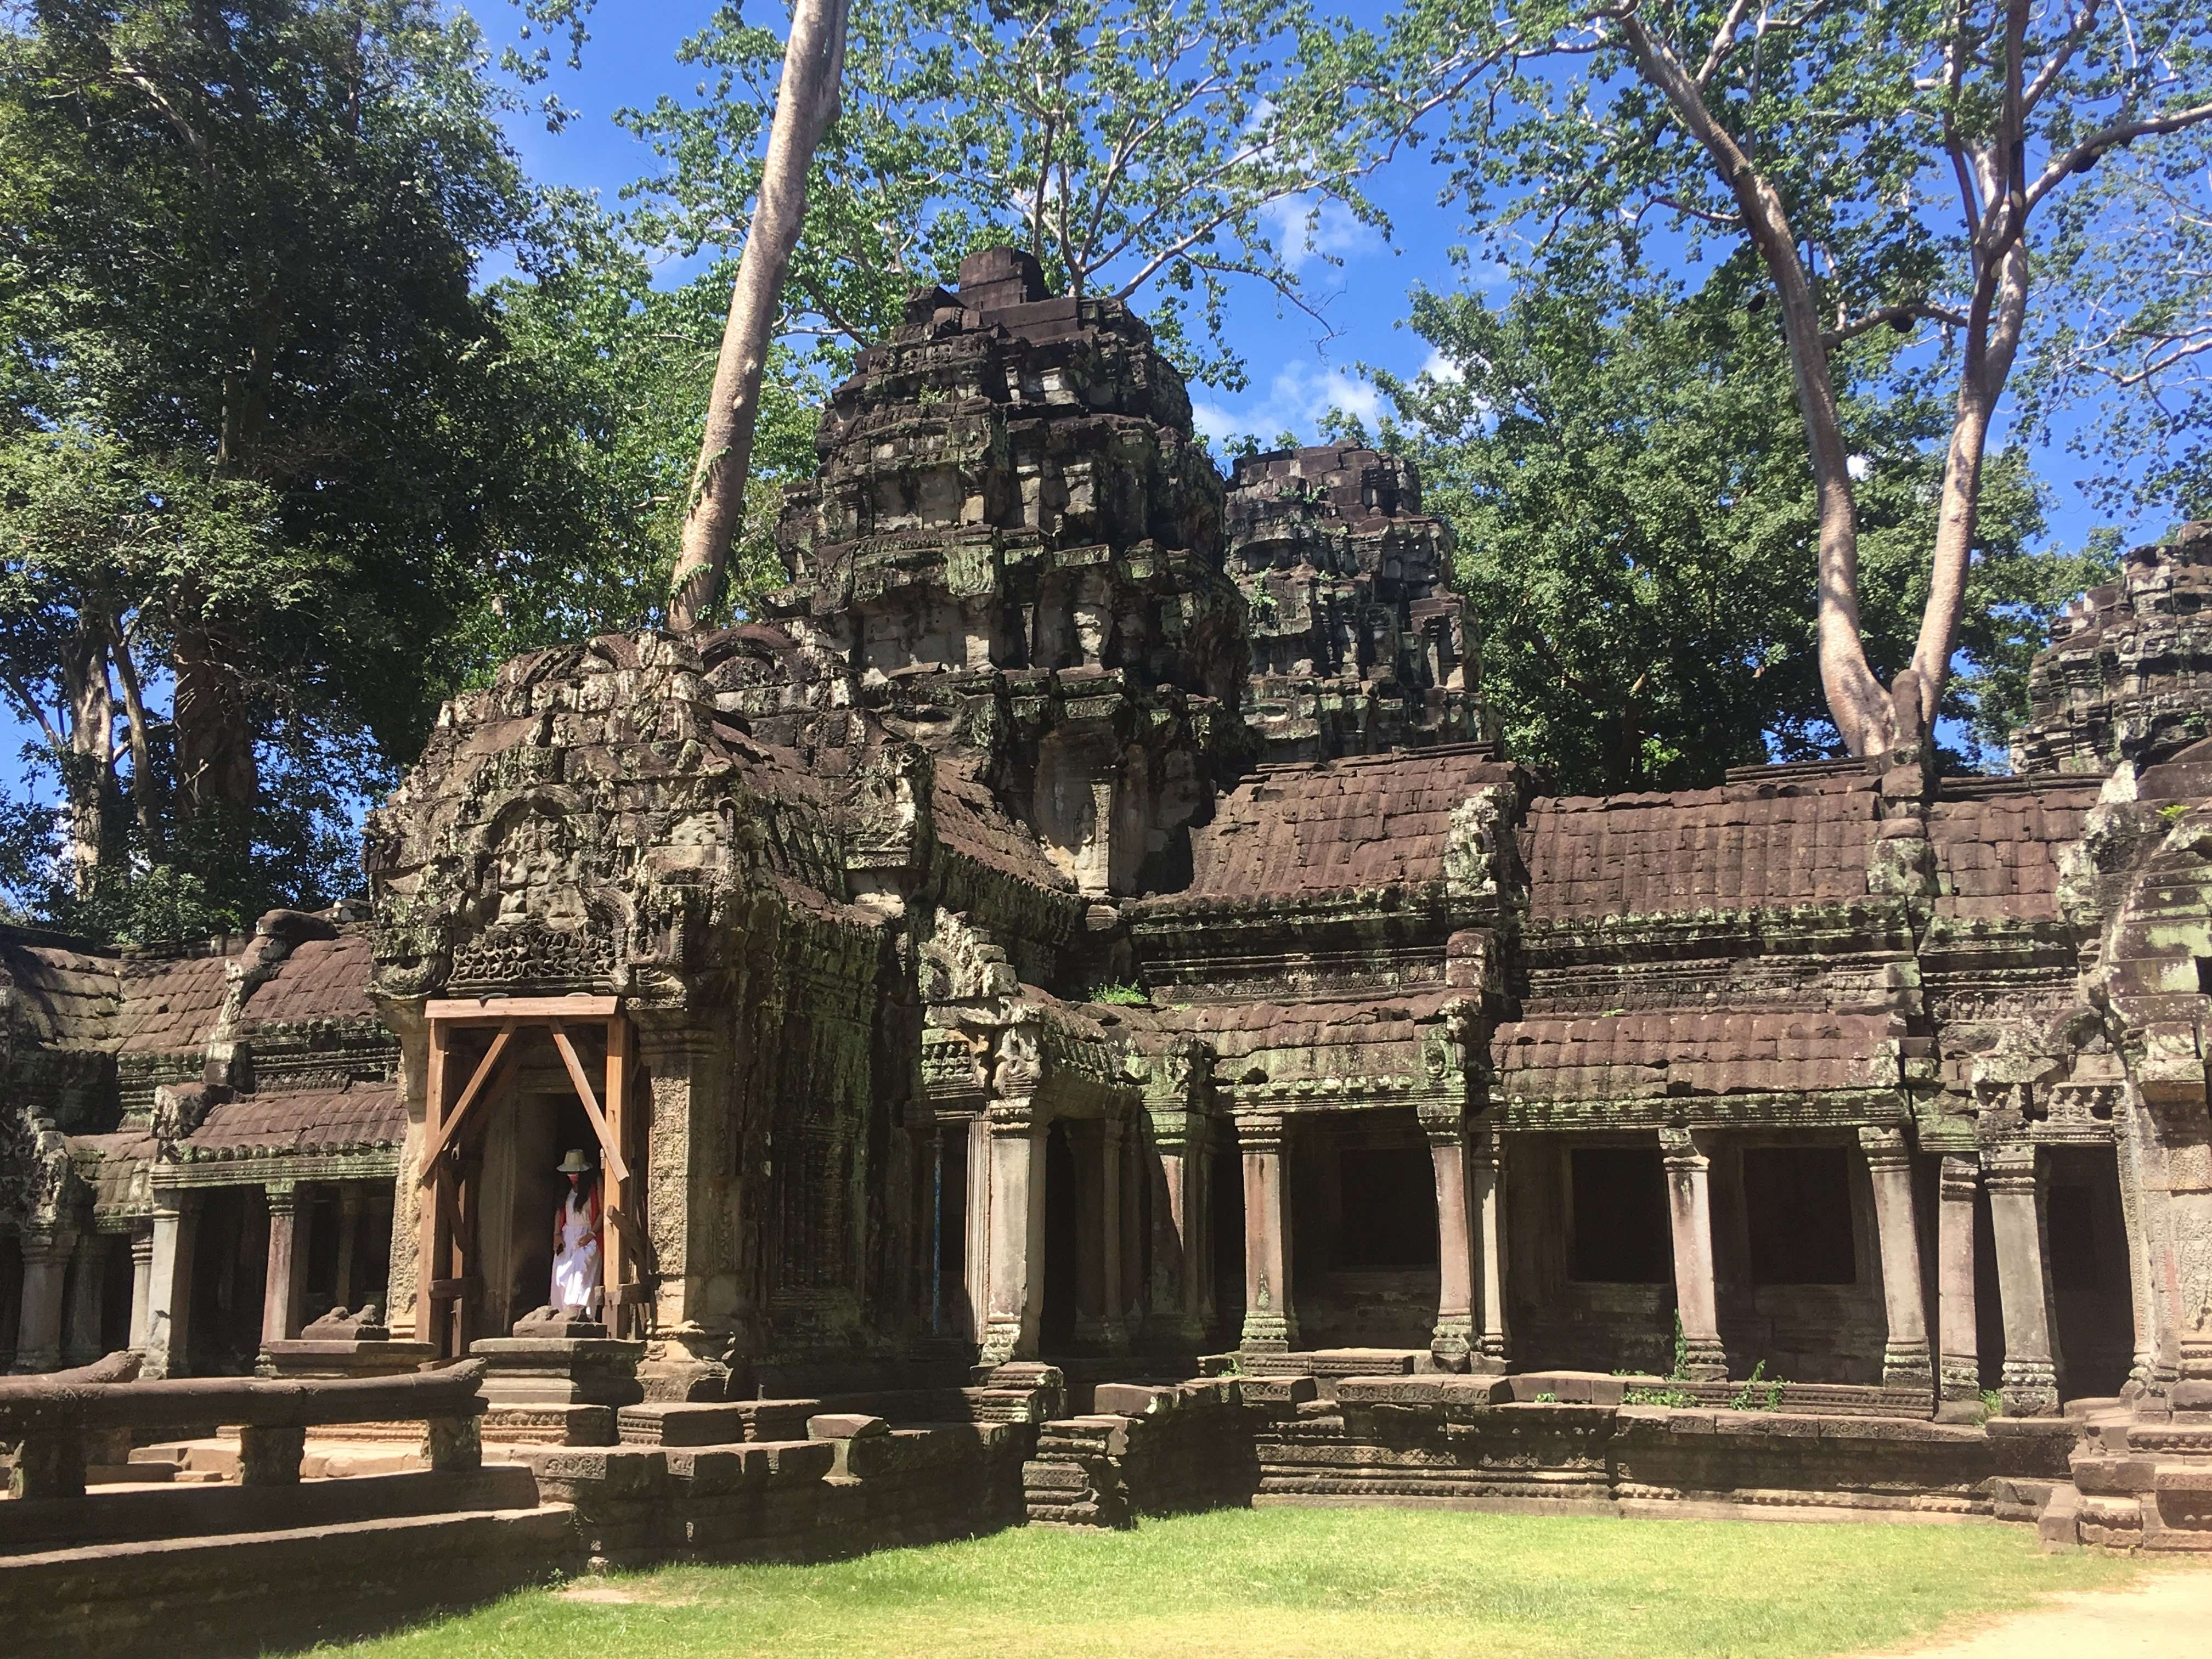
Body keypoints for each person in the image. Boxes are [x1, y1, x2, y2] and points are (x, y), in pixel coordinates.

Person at [550, 1148, 602, 1315]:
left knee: (582, 1273)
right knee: (561, 1277)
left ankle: (580, 1315)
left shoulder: (595, 1186)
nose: (572, 1175)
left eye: (575, 1172)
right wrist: (557, 1235)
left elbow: (602, 1211)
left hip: (588, 1234)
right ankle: (561, 1314)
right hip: (567, 1237)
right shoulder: (565, 1189)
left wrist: (591, 1234)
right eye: (569, 1172)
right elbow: (559, 1211)